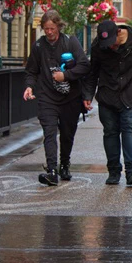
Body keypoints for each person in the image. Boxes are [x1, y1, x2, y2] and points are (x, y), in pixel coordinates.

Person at [23, 10, 90, 186]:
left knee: (67, 134)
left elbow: (84, 66)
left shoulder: (71, 42)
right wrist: (29, 86)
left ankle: (65, 164)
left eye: (52, 28)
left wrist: (66, 75)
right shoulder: (38, 46)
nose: (49, 32)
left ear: (58, 26)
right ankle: (52, 170)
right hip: (47, 97)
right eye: (46, 29)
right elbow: (31, 70)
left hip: (70, 97)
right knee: (50, 133)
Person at [82, 20, 132, 186]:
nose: (110, 47)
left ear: (118, 33)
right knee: (110, 132)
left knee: (129, 127)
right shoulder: (98, 46)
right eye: (106, 44)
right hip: (107, 94)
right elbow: (93, 72)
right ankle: (114, 171)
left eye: (111, 43)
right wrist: (88, 94)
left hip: (129, 93)